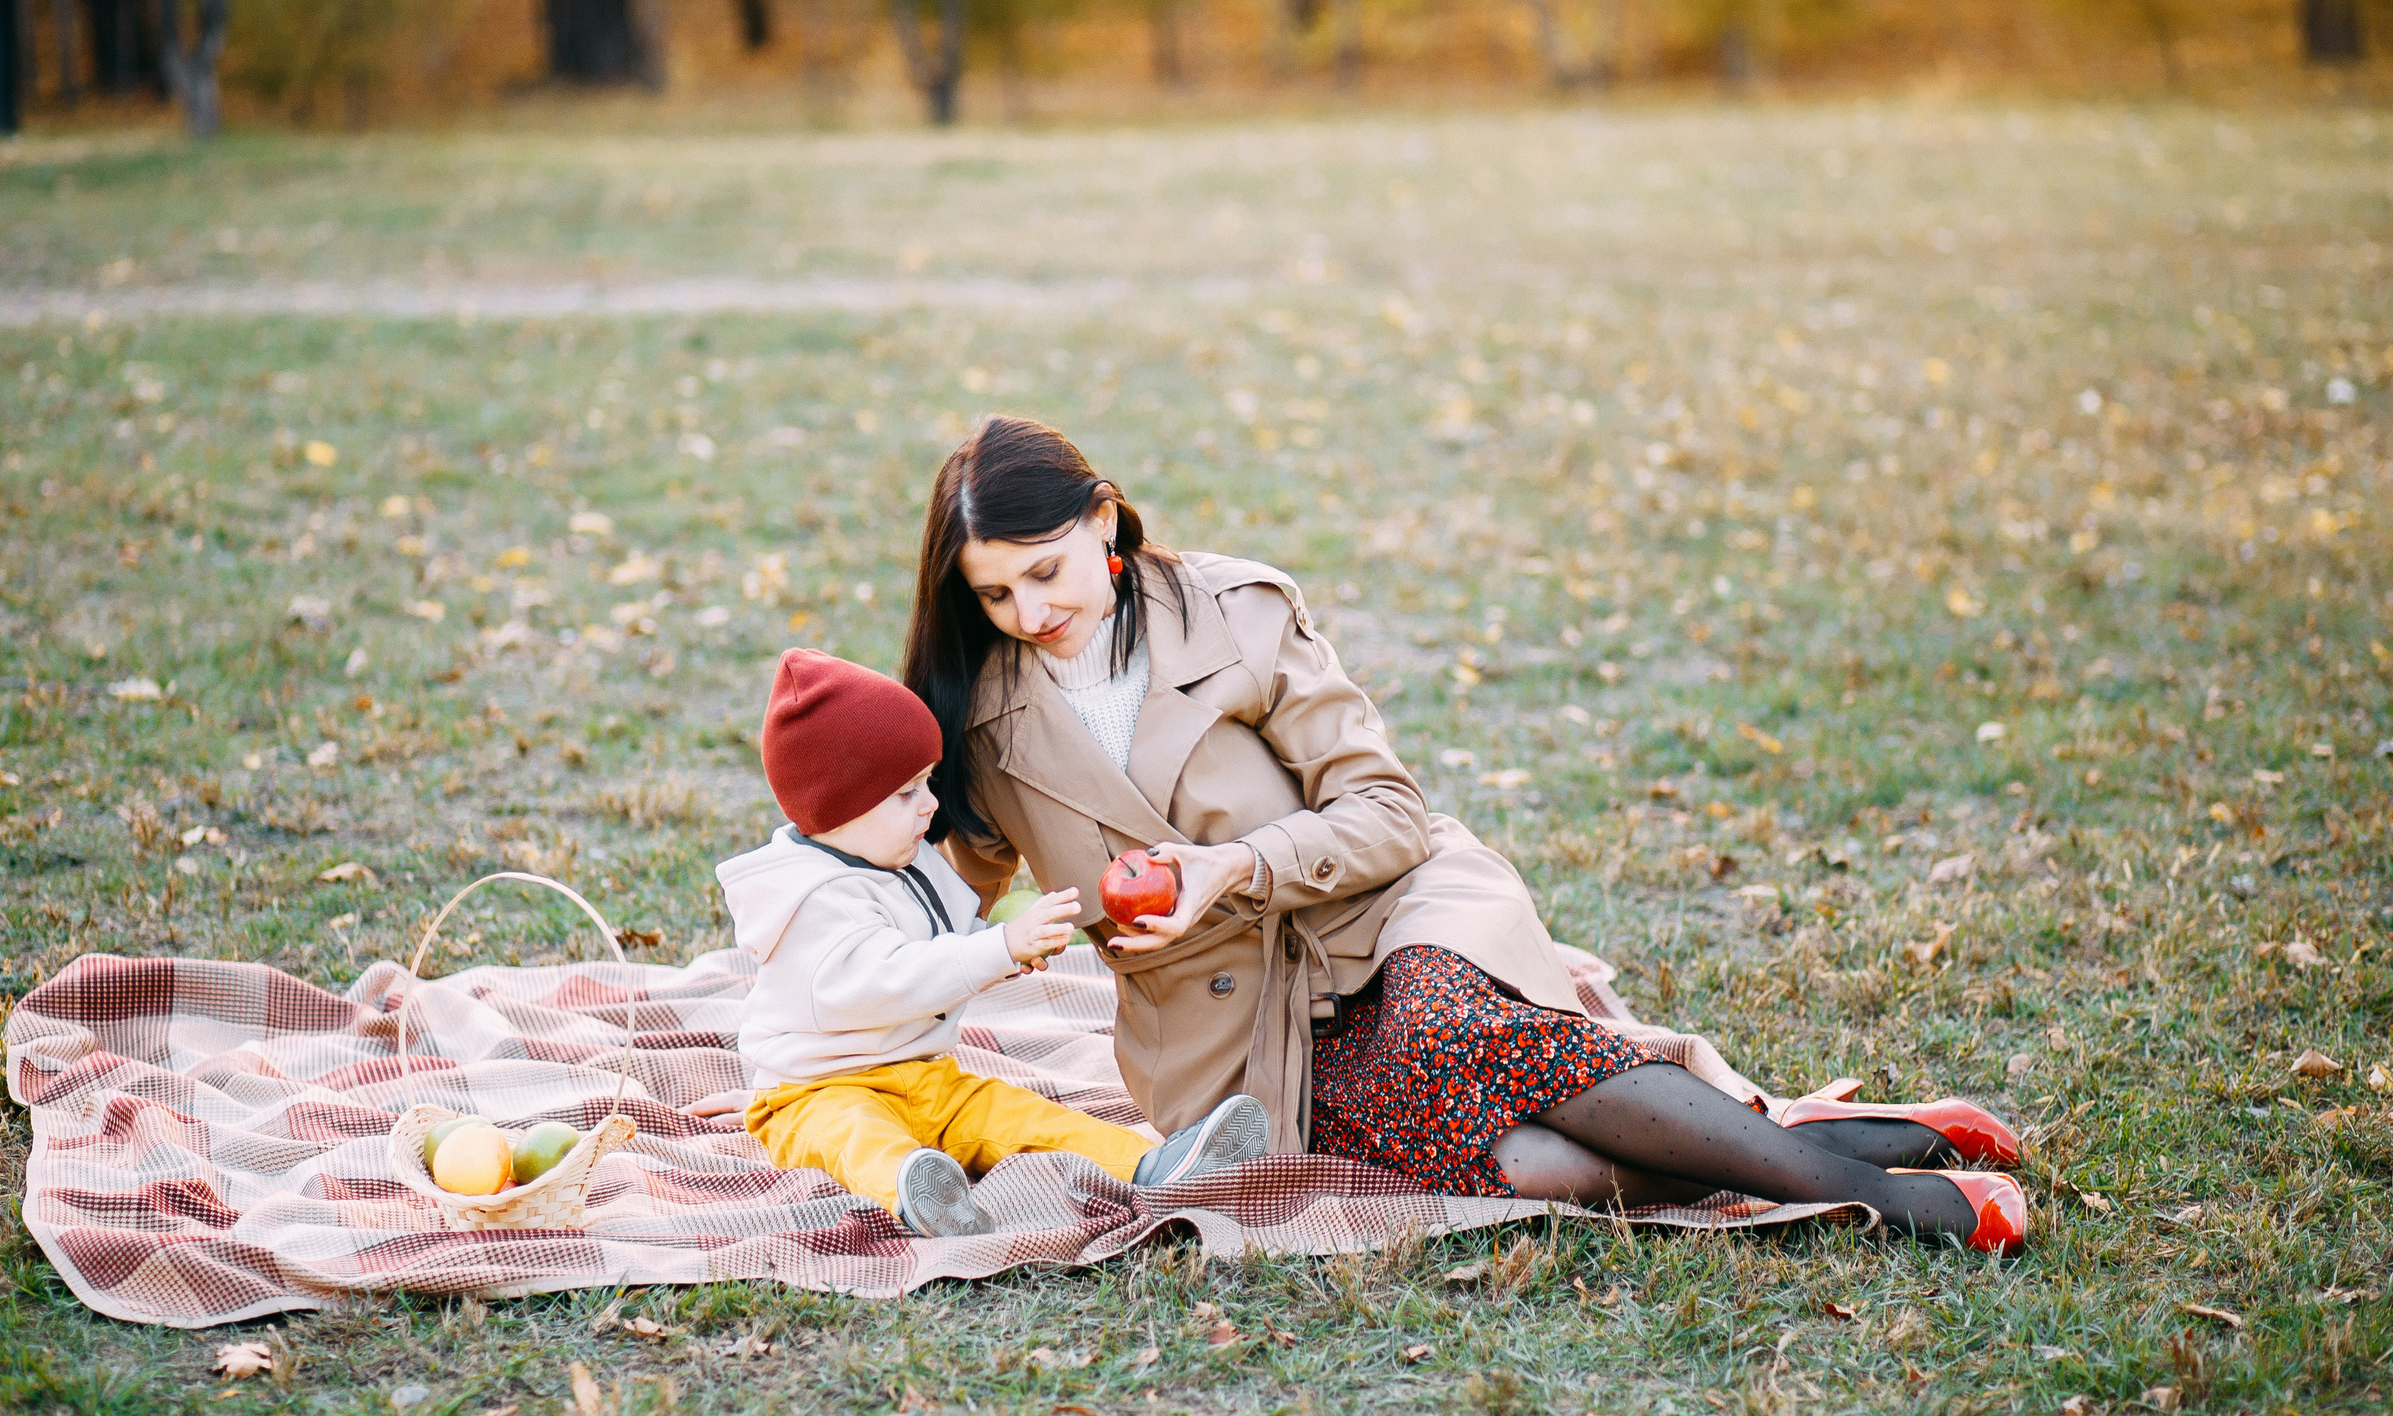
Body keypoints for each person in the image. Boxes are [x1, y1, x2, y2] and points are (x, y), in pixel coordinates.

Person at [900, 417, 2029, 1253]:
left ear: (1101, 523)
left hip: (1389, 912)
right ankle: (1854, 1137)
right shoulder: (985, 721)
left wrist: (1234, 866)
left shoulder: (1234, 612)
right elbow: (942, 898)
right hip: (1240, 1034)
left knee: (1448, 1028)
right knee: (1535, 1163)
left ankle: (1881, 1202)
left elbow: (1387, 812)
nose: (1029, 613)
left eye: (1043, 572)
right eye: (995, 595)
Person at [718, 647, 1269, 1237]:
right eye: (906, 793)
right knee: (855, 1137)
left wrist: (1009, 950)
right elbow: (887, 980)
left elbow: (944, 940)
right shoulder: (810, 899)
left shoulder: (897, 856)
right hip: (813, 1091)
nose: (930, 804)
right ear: (837, 807)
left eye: (926, 783)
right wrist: (997, 948)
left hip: (925, 1074)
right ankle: (919, 1191)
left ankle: (1154, 1165)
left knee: (1020, 1116)